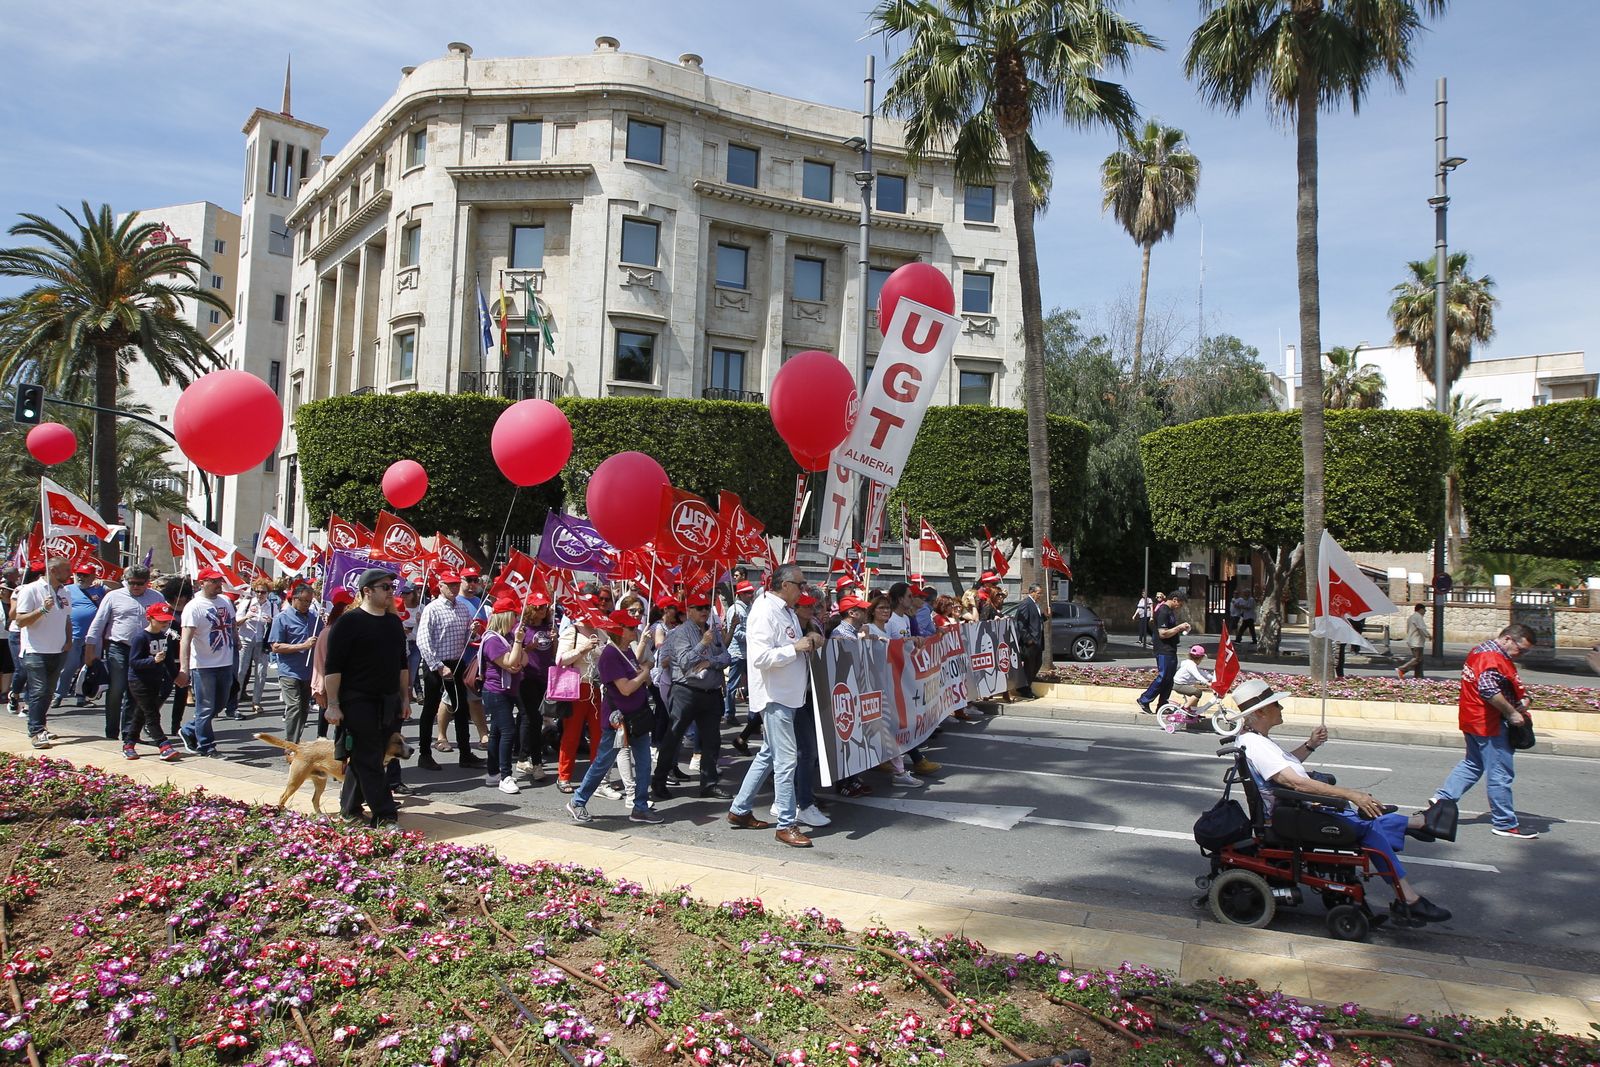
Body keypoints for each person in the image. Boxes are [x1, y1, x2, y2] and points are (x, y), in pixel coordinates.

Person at [1233, 678, 1451, 924]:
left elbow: (1285, 765)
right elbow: (1295, 782)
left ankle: (1420, 826)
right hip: (1290, 814)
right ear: (1260, 711)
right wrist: (1351, 794)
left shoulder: (1256, 740)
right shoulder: (1256, 744)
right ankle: (1411, 887)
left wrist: (1310, 745)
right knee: (1369, 826)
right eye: (1276, 705)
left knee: (1369, 822)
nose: (1281, 708)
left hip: (1295, 810)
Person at [727, 564, 825, 848]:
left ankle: (740, 809)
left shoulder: (784, 610)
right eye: (801, 584)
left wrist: (808, 640)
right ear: (785, 585)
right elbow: (759, 657)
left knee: (769, 755)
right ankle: (785, 823)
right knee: (785, 760)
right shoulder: (764, 610)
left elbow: (794, 644)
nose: (804, 589)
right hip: (775, 696)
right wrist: (796, 648)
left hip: (788, 694)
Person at [1431, 624, 1540, 840]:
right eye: (1522, 649)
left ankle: (1442, 800)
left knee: (1473, 763)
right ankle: (1505, 823)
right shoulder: (1492, 657)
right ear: (1508, 639)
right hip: (1489, 723)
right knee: (1500, 773)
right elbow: (1489, 690)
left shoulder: (1481, 650)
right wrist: (1512, 713)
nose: (1522, 655)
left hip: (1474, 718)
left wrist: (1522, 699)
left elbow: (1497, 684)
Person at [324, 569, 411, 828]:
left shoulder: (393, 623)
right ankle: (385, 815)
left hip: (388, 700)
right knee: (370, 757)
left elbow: (402, 665)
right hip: (357, 700)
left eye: (392, 587)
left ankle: (349, 809)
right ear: (367, 591)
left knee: (363, 757)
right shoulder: (348, 622)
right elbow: (333, 668)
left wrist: (404, 699)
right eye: (385, 587)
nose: (391, 592)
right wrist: (332, 704)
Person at [565, 608, 662, 826]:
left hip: (635, 717)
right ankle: (578, 801)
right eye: (630, 627)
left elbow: (632, 677)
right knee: (603, 762)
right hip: (618, 721)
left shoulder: (625, 650)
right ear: (619, 631)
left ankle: (640, 806)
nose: (635, 629)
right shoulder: (610, 654)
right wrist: (645, 673)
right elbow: (626, 688)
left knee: (645, 764)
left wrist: (642, 671)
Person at [653, 592, 732, 800]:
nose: (704, 611)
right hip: (686, 691)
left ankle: (709, 783)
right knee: (673, 737)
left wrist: (710, 662)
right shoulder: (680, 633)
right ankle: (659, 780)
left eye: (706, 607)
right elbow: (685, 661)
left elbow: (726, 657)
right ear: (689, 611)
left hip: (711, 693)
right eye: (699, 608)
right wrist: (703, 644)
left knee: (711, 740)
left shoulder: (712, 630)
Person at [84, 565, 165, 743]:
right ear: (126, 581)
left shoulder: (157, 597)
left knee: (136, 692)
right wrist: (90, 648)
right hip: (119, 647)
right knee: (117, 689)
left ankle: (129, 734)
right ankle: (111, 732)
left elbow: (163, 623)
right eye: (131, 583)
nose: (135, 586)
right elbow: (98, 623)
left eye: (140, 583)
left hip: (144, 650)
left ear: (147, 583)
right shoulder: (113, 596)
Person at [415, 570, 481, 771]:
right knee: (430, 708)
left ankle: (465, 753)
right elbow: (422, 641)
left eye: (455, 584)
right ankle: (424, 754)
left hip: (456, 662)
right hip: (436, 664)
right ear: (441, 585)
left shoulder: (463, 608)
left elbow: (467, 640)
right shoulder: (432, 609)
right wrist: (438, 666)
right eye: (449, 584)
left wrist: (473, 633)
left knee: (461, 709)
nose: (453, 588)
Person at [177, 567, 237, 758]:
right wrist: (184, 668)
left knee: (219, 705)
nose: (219, 584)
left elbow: (232, 623)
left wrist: (235, 638)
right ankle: (207, 746)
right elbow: (185, 639)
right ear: (202, 583)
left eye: (220, 580)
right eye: (214, 581)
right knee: (205, 707)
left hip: (225, 662)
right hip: (203, 666)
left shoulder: (226, 601)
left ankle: (189, 729)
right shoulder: (194, 607)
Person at [14, 558, 73, 748]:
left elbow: (67, 619)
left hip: (58, 650)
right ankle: (36, 730)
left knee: (48, 692)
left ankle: (42, 726)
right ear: (54, 570)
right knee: (38, 691)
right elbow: (20, 620)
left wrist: (68, 639)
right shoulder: (30, 590)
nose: (70, 573)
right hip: (35, 650)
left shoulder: (65, 591)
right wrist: (42, 609)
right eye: (66, 570)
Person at [554, 603, 605, 793]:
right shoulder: (571, 631)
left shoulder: (601, 631)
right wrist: (582, 649)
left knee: (599, 735)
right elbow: (560, 660)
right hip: (576, 687)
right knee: (572, 735)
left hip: (596, 688)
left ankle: (596, 777)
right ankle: (564, 776)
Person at [124, 602, 182, 761]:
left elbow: (169, 659)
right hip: (139, 681)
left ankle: (129, 743)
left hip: (156, 680)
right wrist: (153, 661)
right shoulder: (140, 637)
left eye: (166, 620)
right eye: (160, 620)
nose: (164, 623)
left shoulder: (165, 636)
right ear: (149, 618)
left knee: (141, 713)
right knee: (152, 714)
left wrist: (176, 676)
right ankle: (164, 745)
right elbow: (134, 662)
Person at [269, 583, 320, 742]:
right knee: (295, 706)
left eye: (309, 601)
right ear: (294, 598)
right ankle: (290, 744)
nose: (307, 604)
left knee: (304, 708)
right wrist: (302, 646)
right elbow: (275, 646)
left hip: (309, 671)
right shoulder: (282, 618)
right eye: (304, 600)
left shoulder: (314, 618)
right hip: (289, 672)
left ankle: (296, 741)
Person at [514, 595, 555, 782]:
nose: (542, 610)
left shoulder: (550, 627)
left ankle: (525, 756)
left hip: (545, 678)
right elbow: (515, 653)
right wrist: (528, 647)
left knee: (534, 719)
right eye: (538, 607)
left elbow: (554, 656)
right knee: (533, 718)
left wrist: (555, 640)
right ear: (530, 609)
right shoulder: (522, 629)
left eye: (544, 607)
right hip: (526, 678)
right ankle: (533, 761)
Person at [56, 564, 104, 710]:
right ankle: (58, 695)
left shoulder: (100, 589)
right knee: (68, 667)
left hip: (93, 637)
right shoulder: (67, 589)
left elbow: (119, 587)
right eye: (79, 574)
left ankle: (81, 697)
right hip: (73, 635)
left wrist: (104, 582)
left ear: (93, 577)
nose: (81, 578)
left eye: (85, 575)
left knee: (88, 668)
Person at [230, 577, 279, 718]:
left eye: (263, 592)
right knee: (241, 671)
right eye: (257, 591)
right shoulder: (247, 603)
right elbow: (236, 622)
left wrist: (271, 621)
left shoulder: (272, 606)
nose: (259, 594)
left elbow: (277, 622)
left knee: (261, 672)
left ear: (268, 593)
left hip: (262, 641)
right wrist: (246, 616)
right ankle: (235, 702)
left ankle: (256, 702)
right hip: (246, 639)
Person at [1136, 589, 1191, 715]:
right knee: (1163, 676)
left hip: (1171, 648)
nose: (1180, 607)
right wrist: (1179, 628)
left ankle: (1162, 705)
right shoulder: (1163, 612)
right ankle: (1144, 699)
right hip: (1163, 649)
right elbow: (1163, 633)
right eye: (1180, 604)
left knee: (1169, 679)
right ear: (1175, 600)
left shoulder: (1170, 612)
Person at [310, 589, 354, 740]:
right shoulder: (328, 633)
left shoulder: (348, 632)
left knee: (342, 730)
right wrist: (319, 689)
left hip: (346, 687)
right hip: (329, 687)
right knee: (325, 726)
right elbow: (321, 663)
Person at [723, 580, 755, 725]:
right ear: (740, 595)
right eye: (748, 593)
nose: (751, 595)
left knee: (753, 685)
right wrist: (754, 636)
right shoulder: (736, 610)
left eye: (751, 592)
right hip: (737, 653)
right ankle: (729, 714)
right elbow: (736, 633)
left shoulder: (749, 608)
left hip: (748, 653)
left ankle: (753, 717)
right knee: (732, 685)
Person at [1014, 583, 1045, 698]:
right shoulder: (1026, 604)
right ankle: (1024, 689)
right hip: (1030, 643)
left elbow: (1035, 621)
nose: (1040, 595)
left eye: (1041, 593)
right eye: (1038, 593)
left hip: (1037, 641)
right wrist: (1028, 639)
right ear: (1031, 592)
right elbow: (1021, 623)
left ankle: (1025, 686)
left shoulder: (1035, 604)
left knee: (1037, 663)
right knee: (1029, 665)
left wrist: (1045, 616)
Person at [1171, 644, 1212, 709]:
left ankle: (1194, 712)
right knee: (1198, 693)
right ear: (1200, 658)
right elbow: (1198, 676)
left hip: (1180, 684)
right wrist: (1208, 683)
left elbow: (1202, 673)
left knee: (1195, 697)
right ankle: (1185, 708)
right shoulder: (1191, 665)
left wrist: (1214, 678)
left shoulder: (1190, 663)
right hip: (1179, 685)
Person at [1396, 604, 1428, 680]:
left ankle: (1419, 676)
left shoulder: (1411, 617)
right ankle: (1402, 669)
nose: (1425, 612)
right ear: (1420, 609)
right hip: (1417, 641)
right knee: (1417, 658)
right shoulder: (1418, 617)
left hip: (1412, 640)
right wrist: (1428, 635)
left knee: (1420, 660)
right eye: (1424, 610)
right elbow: (1421, 628)